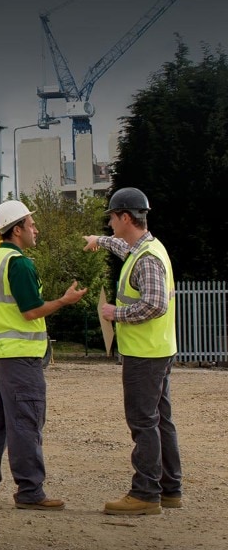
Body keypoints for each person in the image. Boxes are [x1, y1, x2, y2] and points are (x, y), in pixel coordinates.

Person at [0, 200, 86, 510]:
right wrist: (64, 301)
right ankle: (30, 492)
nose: (36, 230)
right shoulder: (19, 264)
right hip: (21, 357)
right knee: (26, 422)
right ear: (17, 230)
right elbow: (32, 311)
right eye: (31, 225)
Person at [82, 187, 181, 516]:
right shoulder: (145, 249)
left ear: (125, 217)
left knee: (143, 422)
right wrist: (100, 240)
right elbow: (123, 247)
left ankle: (145, 494)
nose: (110, 223)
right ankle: (170, 490)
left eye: (111, 217)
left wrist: (115, 313)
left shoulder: (147, 259)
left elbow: (154, 304)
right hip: (158, 349)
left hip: (145, 355)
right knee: (160, 421)